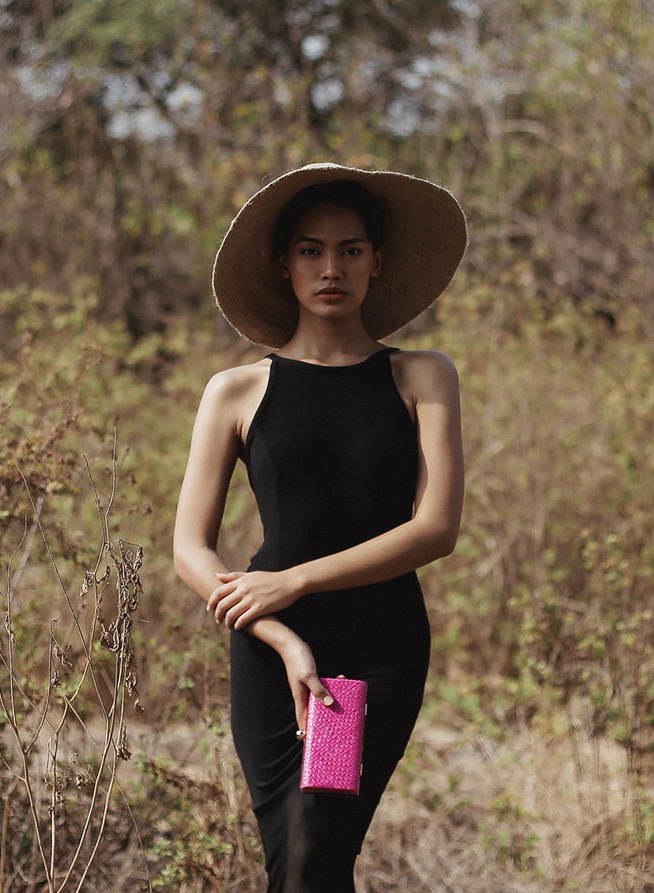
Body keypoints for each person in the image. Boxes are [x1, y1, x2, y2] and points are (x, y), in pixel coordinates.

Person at [173, 162, 467, 892]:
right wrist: (279, 629)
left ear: (377, 262)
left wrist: (294, 580)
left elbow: (435, 528)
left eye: (350, 249)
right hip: (273, 654)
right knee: (300, 860)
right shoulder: (236, 391)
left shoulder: (421, 377)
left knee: (313, 851)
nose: (330, 267)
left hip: (376, 649)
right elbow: (188, 547)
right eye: (310, 249)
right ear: (284, 264)